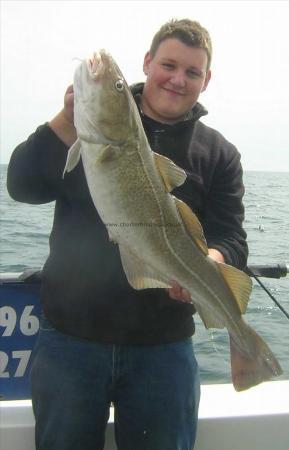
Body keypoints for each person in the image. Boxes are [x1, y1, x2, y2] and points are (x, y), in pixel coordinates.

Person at [7, 18, 248, 450]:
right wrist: (67, 119)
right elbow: (22, 187)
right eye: (168, 65)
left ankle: (245, 346)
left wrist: (209, 264)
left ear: (206, 80)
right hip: (71, 342)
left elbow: (231, 236)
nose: (177, 79)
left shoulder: (219, 154)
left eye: (192, 72)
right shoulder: (86, 131)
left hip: (163, 350)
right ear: (148, 63)